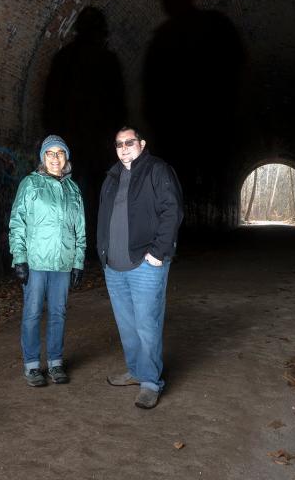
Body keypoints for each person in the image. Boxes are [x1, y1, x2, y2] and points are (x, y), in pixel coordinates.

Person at [97, 126, 183, 409]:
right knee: (127, 325)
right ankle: (136, 371)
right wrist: (103, 254)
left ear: (142, 144)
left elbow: (173, 210)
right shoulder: (111, 177)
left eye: (129, 142)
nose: (124, 147)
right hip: (114, 265)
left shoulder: (157, 170)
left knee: (147, 324)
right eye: (119, 143)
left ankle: (150, 382)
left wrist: (158, 252)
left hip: (145, 265)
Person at [9, 135, 86, 387]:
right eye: (50, 153)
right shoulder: (30, 184)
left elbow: (80, 230)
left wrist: (78, 262)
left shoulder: (73, 189)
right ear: (43, 157)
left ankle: (55, 362)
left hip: (63, 263)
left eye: (60, 153)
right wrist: (19, 258)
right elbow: (17, 222)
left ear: (66, 158)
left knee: (58, 314)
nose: (55, 158)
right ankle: (32, 365)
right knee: (32, 314)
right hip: (36, 262)